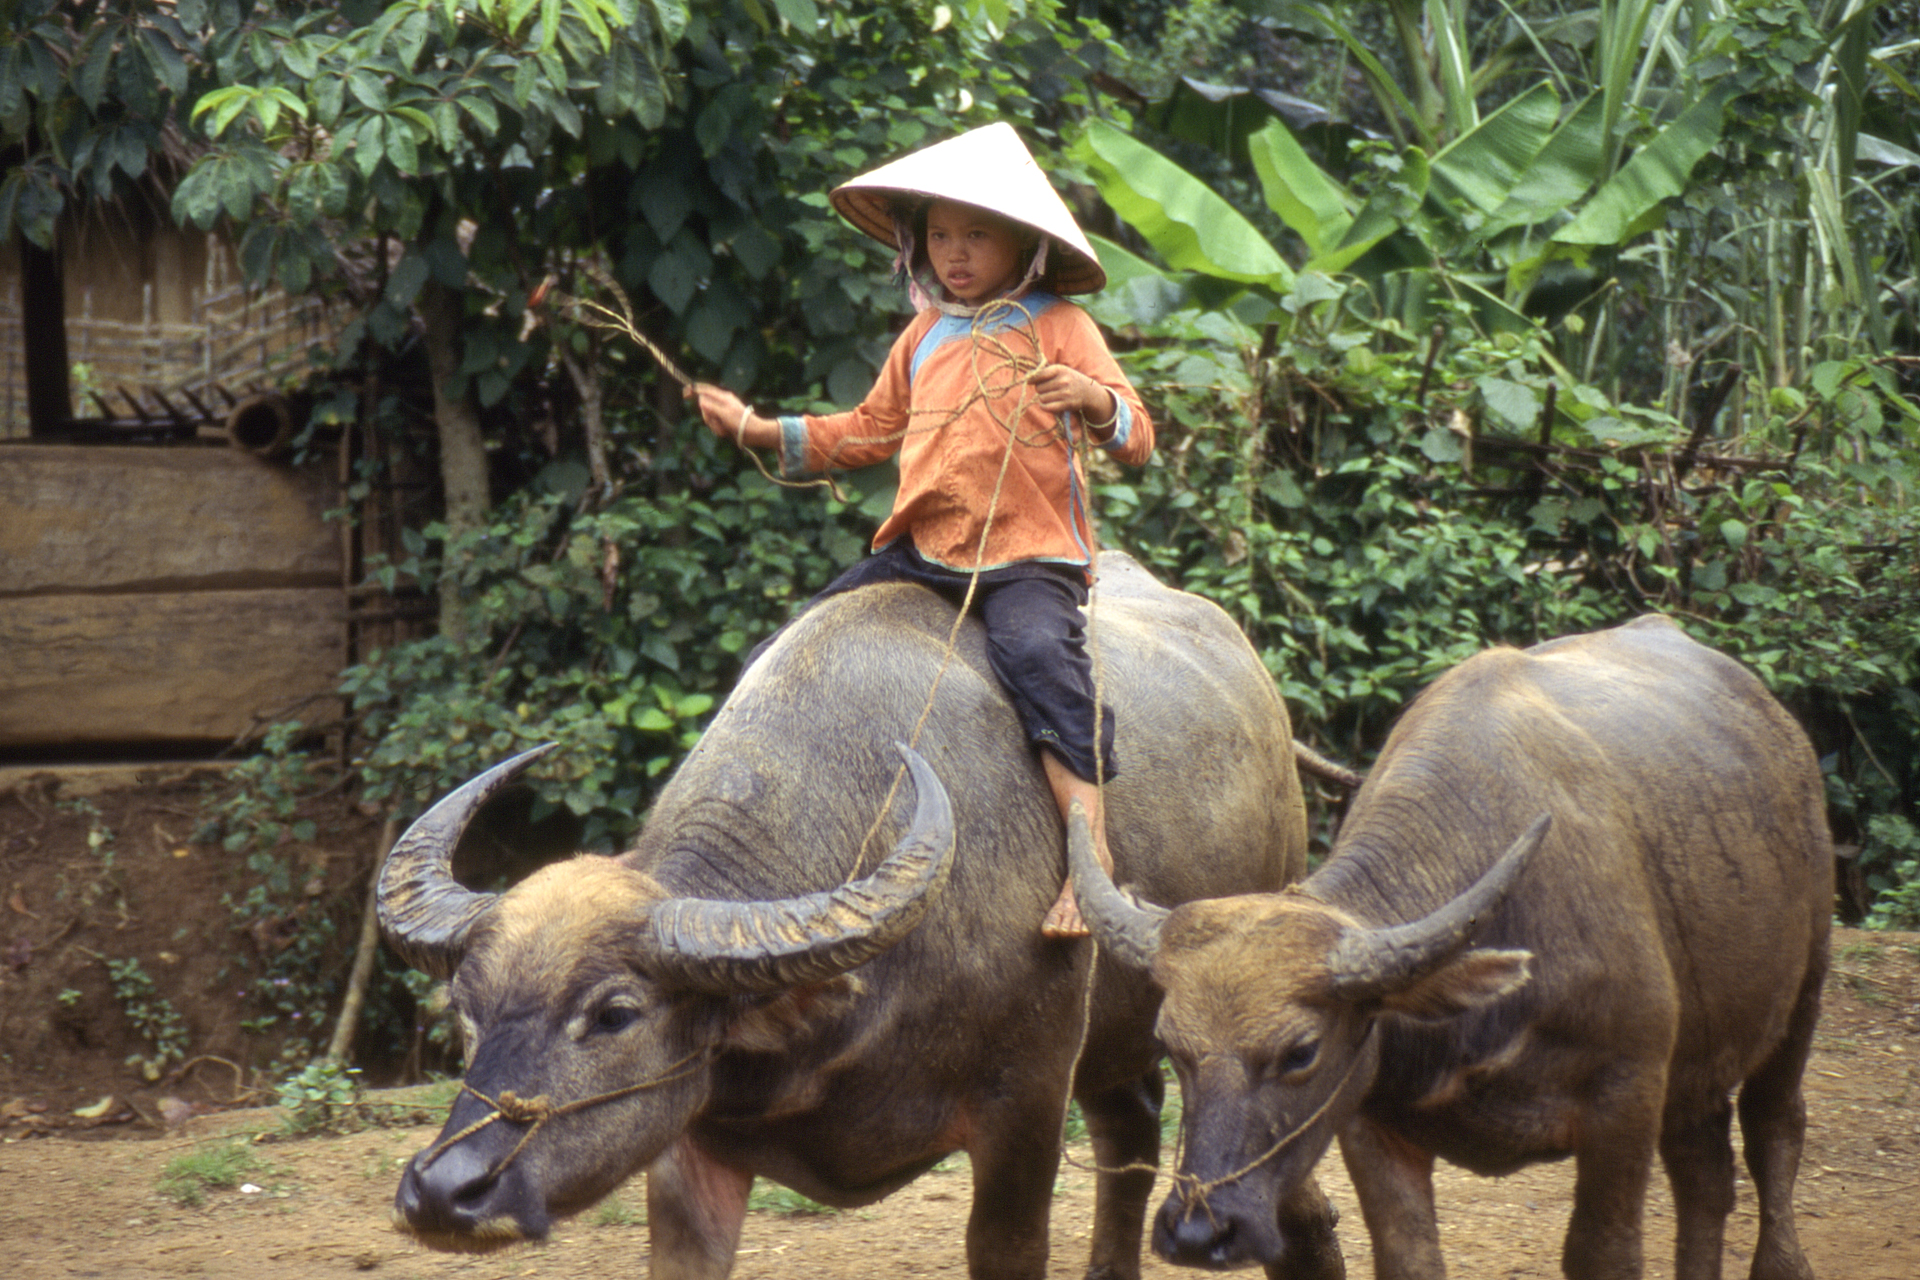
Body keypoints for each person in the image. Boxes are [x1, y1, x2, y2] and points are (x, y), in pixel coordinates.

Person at [687, 123, 1154, 938]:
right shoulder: (924, 334)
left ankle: (1093, 857)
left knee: (1043, 661)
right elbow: (869, 431)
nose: (956, 253)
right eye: (940, 234)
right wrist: (759, 431)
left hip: (1026, 555)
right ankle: (769, 846)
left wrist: (1089, 398)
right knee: (787, 653)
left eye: (977, 234)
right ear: (917, 241)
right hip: (923, 549)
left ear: (1024, 244)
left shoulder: (1062, 327)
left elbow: (1139, 437)